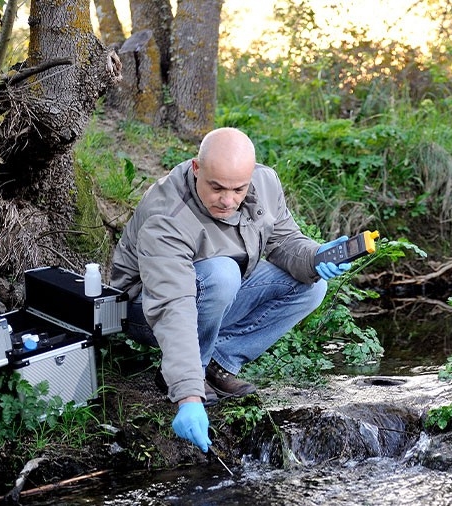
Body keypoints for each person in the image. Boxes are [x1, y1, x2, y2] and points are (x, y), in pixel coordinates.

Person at [110, 127, 352, 453]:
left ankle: (218, 362)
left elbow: (285, 241)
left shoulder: (264, 183)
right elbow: (173, 306)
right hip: (146, 308)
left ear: (250, 176)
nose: (228, 200)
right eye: (217, 188)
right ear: (197, 168)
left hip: (215, 291)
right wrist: (188, 394)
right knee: (222, 274)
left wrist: (316, 256)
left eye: (238, 189)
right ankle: (189, 372)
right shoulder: (167, 216)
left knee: (311, 285)